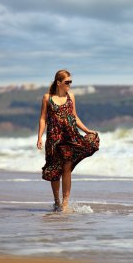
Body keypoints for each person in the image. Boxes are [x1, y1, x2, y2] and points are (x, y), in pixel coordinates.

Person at [37, 70, 99, 212]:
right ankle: (57, 201)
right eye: (67, 82)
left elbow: (74, 117)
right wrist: (40, 137)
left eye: (71, 82)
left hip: (70, 138)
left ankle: (65, 204)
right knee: (54, 170)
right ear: (58, 83)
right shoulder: (47, 98)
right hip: (54, 139)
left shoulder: (71, 97)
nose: (69, 84)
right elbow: (42, 119)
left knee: (67, 169)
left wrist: (87, 131)